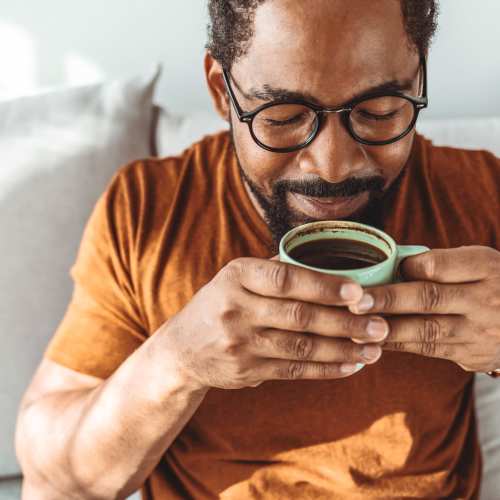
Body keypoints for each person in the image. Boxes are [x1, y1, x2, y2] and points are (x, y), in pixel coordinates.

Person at [16, 0, 500, 498]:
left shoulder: (481, 191)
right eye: (284, 116)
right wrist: (179, 361)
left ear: (419, 81)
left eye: (378, 112)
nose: (331, 166)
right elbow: (55, 480)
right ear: (221, 91)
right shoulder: (148, 211)